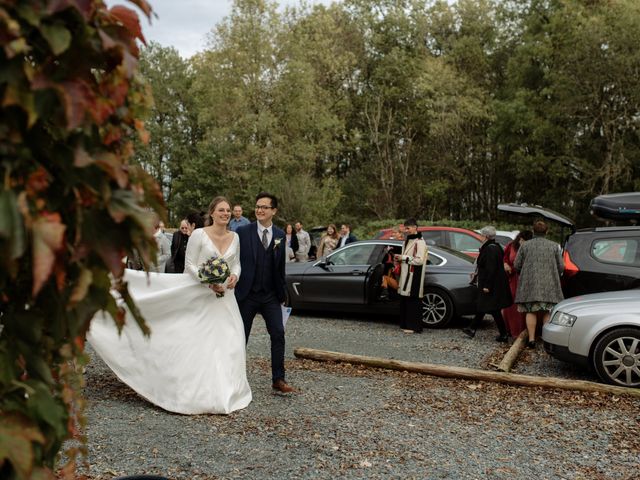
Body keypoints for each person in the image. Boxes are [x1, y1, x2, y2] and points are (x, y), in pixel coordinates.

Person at [87, 197, 252, 414]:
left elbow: (236, 263)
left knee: (230, 340)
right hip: (201, 295)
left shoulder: (235, 237)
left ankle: (228, 389)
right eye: (221, 210)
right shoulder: (199, 235)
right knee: (198, 343)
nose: (226, 213)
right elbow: (190, 264)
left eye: (228, 210)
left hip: (225, 299)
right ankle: (194, 391)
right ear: (212, 213)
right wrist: (207, 282)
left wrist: (234, 276)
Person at [236, 192, 296, 393]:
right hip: (247, 294)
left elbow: (280, 268)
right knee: (240, 336)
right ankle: (234, 378)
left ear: (274, 211)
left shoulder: (279, 235)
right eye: (257, 206)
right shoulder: (243, 232)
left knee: (278, 334)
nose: (259, 210)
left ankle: (278, 379)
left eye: (264, 207)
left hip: (270, 295)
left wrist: (283, 295)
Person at [514, 220, 564, 348]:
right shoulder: (554, 246)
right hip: (550, 284)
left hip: (530, 284)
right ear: (546, 232)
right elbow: (561, 266)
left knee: (531, 310)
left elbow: (516, 265)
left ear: (533, 231)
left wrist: (525, 274)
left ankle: (531, 340)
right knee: (547, 311)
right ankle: (546, 340)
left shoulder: (525, 246)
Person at [462, 226, 512, 342]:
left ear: (485, 236)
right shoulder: (496, 247)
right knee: (486, 306)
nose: (480, 237)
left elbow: (491, 268)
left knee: (491, 308)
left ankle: (502, 334)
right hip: (493, 283)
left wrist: (487, 286)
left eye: (481, 235)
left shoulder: (490, 249)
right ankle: (472, 329)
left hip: (490, 285)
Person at [394, 218, 428, 333]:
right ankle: (406, 325)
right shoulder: (408, 240)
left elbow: (419, 261)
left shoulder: (420, 242)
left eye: (408, 228)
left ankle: (414, 327)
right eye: (405, 228)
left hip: (414, 276)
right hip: (407, 275)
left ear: (415, 227)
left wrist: (403, 258)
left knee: (413, 300)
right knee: (406, 300)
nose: (406, 230)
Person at [501, 230, 533, 337]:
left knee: (521, 303)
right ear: (519, 238)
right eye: (521, 240)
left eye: (525, 241)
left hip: (523, 278)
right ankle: (508, 329)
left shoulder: (530, 249)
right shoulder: (511, 245)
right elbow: (505, 257)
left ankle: (521, 330)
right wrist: (505, 264)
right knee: (510, 303)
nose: (522, 242)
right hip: (512, 278)